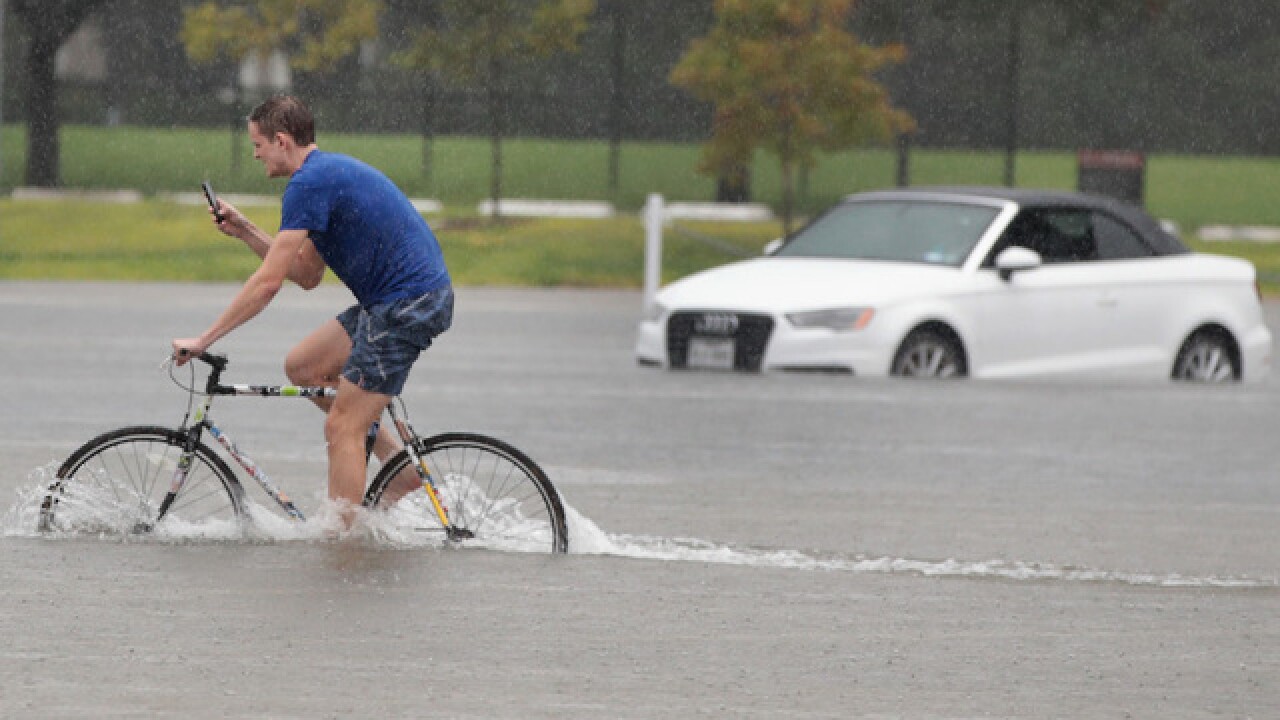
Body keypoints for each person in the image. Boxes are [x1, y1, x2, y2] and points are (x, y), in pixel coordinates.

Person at [172, 95, 452, 528]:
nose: (255, 153)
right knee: (303, 366)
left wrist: (204, 340)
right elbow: (304, 273)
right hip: (394, 301)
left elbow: (268, 284)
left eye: (258, 144)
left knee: (342, 427)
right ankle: (398, 467)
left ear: (282, 140)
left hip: (407, 305)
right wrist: (245, 230)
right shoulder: (321, 178)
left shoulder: (309, 183)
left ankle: (341, 545)